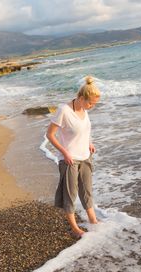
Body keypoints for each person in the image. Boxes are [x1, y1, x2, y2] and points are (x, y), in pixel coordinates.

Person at [46, 76, 100, 236]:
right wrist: (65, 153)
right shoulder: (64, 110)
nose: (92, 106)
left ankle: (93, 220)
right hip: (69, 159)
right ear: (81, 98)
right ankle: (75, 228)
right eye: (90, 103)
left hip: (85, 156)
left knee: (87, 191)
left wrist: (89, 142)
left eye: (94, 104)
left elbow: (85, 129)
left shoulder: (84, 109)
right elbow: (50, 135)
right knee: (71, 194)